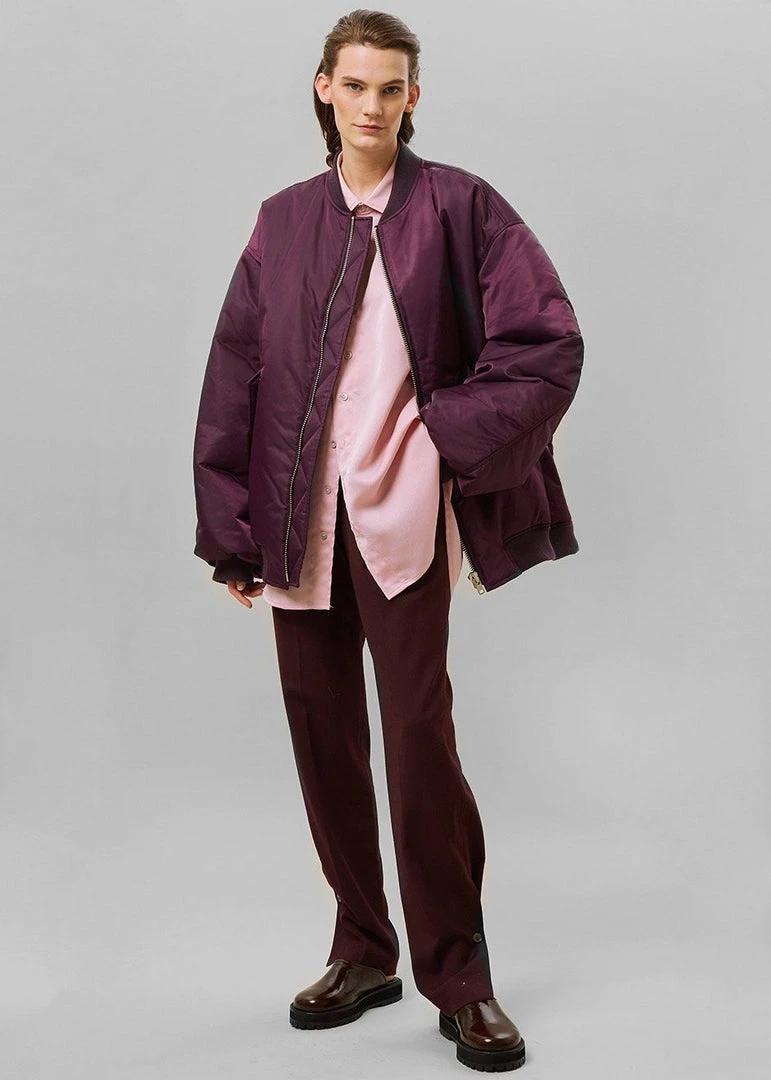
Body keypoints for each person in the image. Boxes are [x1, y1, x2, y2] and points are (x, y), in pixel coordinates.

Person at [192, 9, 583, 1072]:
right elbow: (236, 372)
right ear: (324, 88)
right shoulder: (281, 221)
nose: (372, 105)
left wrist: (441, 439)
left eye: (391, 87)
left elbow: (547, 343)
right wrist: (231, 530)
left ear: (415, 97)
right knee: (323, 741)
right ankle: (362, 950)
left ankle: (460, 979)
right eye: (355, 85)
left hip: (401, 514)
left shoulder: (461, 206)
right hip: (296, 520)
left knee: (418, 742)